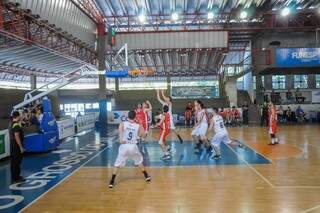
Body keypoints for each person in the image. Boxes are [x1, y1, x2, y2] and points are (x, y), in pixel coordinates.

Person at [108, 110, 151, 188]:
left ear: (128, 116)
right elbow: (144, 135)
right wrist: (141, 124)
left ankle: (112, 181)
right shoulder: (137, 126)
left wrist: (121, 140)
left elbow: (120, 135)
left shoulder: (122, 124)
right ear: (135, 117)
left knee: (117, 164)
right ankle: (146, 176)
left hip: (124, 146)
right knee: (139, 161)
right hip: (133, 146)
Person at [8, 111, 25, 184]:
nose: (21, 116)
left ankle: (15, 176)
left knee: (13, 162)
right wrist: (21, 147)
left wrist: (20, 120)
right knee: (16, 162)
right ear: (17, 116)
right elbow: (17, 136)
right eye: (20, 115)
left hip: (12, 146)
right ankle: (16, 178)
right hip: (16, 146)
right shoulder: (16, 125)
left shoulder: (11, 123)